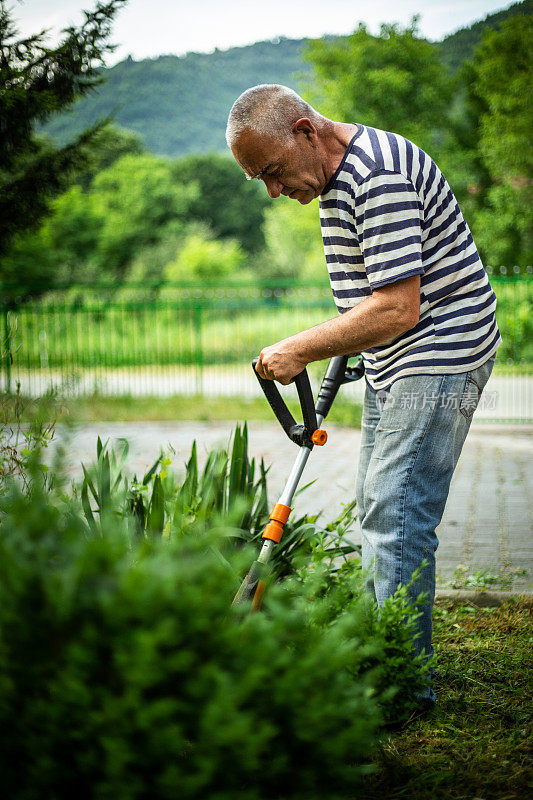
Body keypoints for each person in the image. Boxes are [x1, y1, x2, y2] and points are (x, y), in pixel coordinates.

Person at [226, 84, 501, 705]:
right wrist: (345, 350)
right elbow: (372, 292)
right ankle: (389, 657)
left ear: (304, 131)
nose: (272, 190)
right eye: (258, 180)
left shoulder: (376, 178)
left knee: (396, 514)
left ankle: (401, 688)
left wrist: (300, 348)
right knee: (381, 509)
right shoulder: (331, 178)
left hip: (440, 355)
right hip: (397, 356)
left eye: (271, 171)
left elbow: (399, 307)